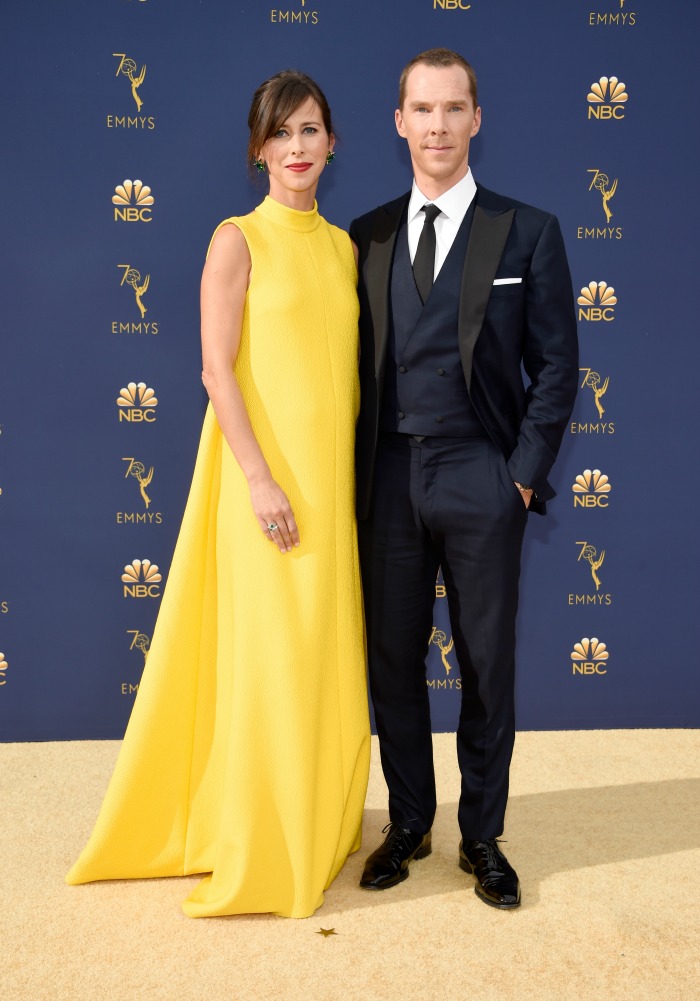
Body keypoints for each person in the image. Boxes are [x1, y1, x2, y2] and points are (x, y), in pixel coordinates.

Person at [67, 70, 370, 919]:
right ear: (259, 149)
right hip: (261, 484)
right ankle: (258, 837)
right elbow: (214, 369)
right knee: (271, 658)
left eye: (311, 130)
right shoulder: (236, 239)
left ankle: (316, 816)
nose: (299, 147)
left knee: (317, 653)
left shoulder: (343, 248)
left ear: (333, 142)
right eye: (282, 134)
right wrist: (261, 478)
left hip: (329, 480)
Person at [350, 49, 578, 908]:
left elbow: (557, 365)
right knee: (393, 661)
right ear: (399, 121)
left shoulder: (529, 230)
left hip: (484, 472)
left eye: (454, 109)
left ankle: (483, 834)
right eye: (422, 109)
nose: (438, 125)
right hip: (388, 478)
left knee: (487, 665)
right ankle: (409, 820)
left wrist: (520, 477)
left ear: (476, 119)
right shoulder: (363, 235)